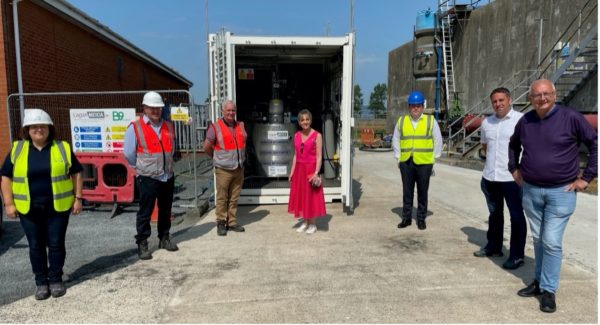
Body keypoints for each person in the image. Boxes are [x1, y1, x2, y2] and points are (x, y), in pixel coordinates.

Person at [508, 79, 597, 313]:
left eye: (546, 94)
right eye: (537, 95)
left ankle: (548, 290)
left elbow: (595, 143)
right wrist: (514, 168)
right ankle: (538, 282)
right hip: (531, 190)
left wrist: (587, 177)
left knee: (551, 241)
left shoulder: (571, 118)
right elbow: (513, 145)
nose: (542, 99)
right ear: (530, 99)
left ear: (555, 95)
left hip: (562, 191)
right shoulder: (525, 121)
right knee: (538, 239)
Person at [0, 108, 83, 300]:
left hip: (57, 207)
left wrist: (78, 198)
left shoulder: (61, 147)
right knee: (35, 246)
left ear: (49, 128)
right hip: (28, 208)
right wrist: (8, 204)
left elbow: (77, 172)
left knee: (55, 244)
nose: (39, 129)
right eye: (34, 126)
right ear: (27, 130)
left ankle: (55, 279)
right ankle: (41, 283)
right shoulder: (17, 149)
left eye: (43, 126)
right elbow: (6, 177)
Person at [473, 87, 527, 270]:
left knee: (517, 217)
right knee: (494, 214)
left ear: (509, 100)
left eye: (501, 100)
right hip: (490, 177)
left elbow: (528, 148)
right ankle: (494, 247)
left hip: (512, 179)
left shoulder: (521, 120)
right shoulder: (487, 122)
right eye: (495, 101)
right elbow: (485, 147)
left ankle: (517, 255)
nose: (498, 104)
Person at [124, 91, 178, 260]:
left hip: (166, 176)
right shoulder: (135, 127)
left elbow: (171, 149)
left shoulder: (168, 126)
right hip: (147, 177)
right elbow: (128, 153)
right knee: (145, 212)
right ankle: (142, 242)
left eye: (158, 108)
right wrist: (140, 167)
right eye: (152, 108)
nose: (155, 111)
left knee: (165, 210)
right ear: (145, 108)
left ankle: (164, 237)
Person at [392, 91, 443, 230]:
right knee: (407, 192)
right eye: (413, 106)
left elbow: (437, 140)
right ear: (409, 107)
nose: (415, 108)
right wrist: (398, 157)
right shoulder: (402, 121)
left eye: (418, 106)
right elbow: (396, 139)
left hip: (424, 163)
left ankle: (421, 218)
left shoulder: (430, 121)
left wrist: (434, 159)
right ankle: (406, 218)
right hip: (406, 162)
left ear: (422, 106)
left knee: (422, 191)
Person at [203, 100, 247, 236]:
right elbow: (206, 147)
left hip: (238, 167)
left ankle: (232, 222)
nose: (231, 113)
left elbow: (243, 142)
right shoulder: (215, 127)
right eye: (228, 110)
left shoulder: (241, 125)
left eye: (233, 110)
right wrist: (217, 158)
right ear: (222, 111)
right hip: (223, 169)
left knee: (234, 197)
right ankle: (221, 223)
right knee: (222, 197)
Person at [288, 109, 326, 234]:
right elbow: (295, 155)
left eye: (307, 119)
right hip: (299, 169)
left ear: (311, 120)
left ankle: (313, 224)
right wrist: (292, 172)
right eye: (302, 120)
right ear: (299, 122)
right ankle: (305, 222)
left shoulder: (317, 135)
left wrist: (316, 172)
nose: (305, 122)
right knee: (302, 196)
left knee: (311, 197)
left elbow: (319, 156)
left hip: (311, 169)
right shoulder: (297, 135)